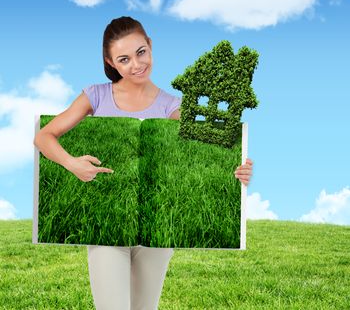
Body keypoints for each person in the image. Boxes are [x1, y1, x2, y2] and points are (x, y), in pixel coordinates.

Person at [34, 16, 253, 310]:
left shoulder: (171, 105)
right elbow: (44, 137)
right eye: (124, 59)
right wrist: (73, 164)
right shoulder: (96, 96)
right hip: (107, 228)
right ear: (111, 63)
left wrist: (238, 169)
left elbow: (214, 149)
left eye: (141, 52)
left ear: (150, 46)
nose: (136, 64)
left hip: (156, 235)